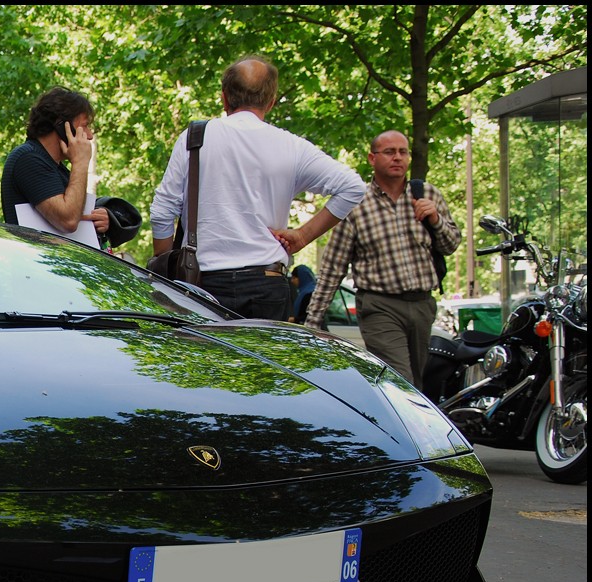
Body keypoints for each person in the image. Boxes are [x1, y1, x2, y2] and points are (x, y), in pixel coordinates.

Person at [149, 56, 365, 320]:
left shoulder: (196, 138)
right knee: (261, 362)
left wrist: (166, 261)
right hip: (268, 284)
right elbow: (352, 187)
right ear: (271, 102)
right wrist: (303, 236)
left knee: (207, 362)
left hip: (200, 284)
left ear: (224, 98)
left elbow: (162, 211)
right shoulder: (292, 146)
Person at [302, 130, 461, 385]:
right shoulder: (356, 202)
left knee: (417, 383)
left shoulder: (427, 194)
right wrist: (313, 322)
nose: (397, 158)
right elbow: (333, 266)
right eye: (389, 152)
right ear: (372, 158)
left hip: (422, 304)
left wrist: (435, 220)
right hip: (380, 307)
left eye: (403, 152)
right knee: (402, 381)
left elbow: (451, 245)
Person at [2, 87, 110, 241]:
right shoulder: (28, 158)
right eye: (84, 126)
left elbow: (75, 215)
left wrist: (98, 219)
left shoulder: (55, 167)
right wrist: (80, 162)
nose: (90, 136)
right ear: (61, 126)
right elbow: (68, 220)